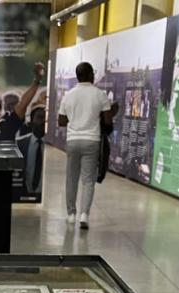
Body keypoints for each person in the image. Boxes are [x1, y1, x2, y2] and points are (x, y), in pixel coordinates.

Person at [58, 61, 115, 229]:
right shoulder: (100, 94)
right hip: (91, 141)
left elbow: (61, 121)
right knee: (88, 180)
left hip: (73, 140)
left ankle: (70, 214)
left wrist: (75, 117)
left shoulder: (68, 95)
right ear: (90, 74)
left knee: (71, 178)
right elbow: (107, 120)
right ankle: (84, 215)